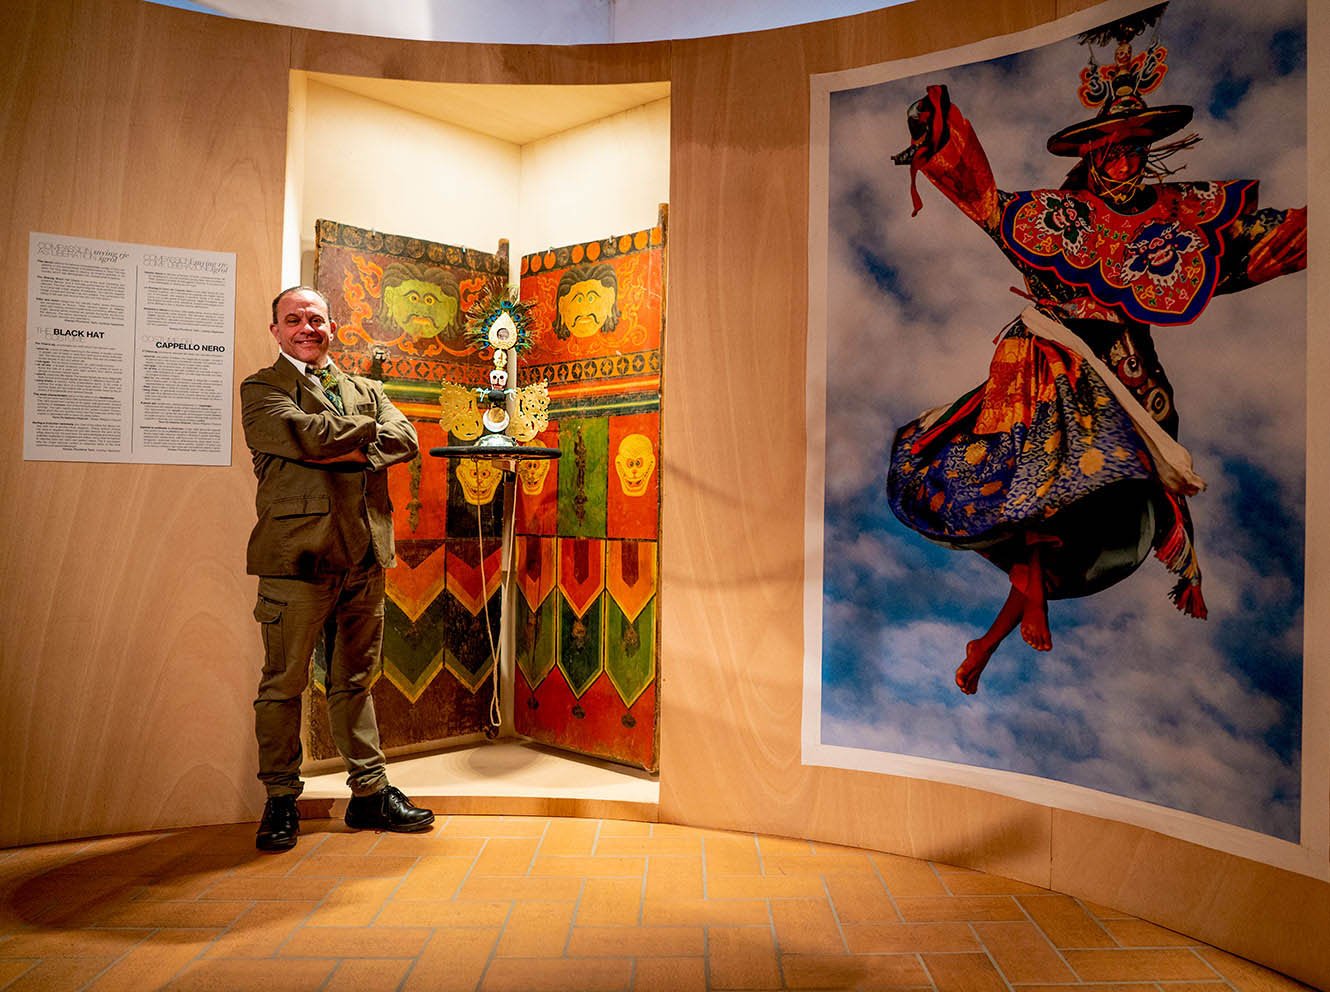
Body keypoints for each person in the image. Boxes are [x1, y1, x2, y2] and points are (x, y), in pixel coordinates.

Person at [886, 25, 1306, 695]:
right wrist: (941, 139)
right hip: (1047, 363)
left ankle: (992, 635)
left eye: (1134, 148)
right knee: (1028, 477)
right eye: (1109, 151)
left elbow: (1229, 252)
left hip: (1127, 368)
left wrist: (1274, 248)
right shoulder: (1055, 218)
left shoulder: (1177, 218)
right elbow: (988, 204)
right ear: (1089, 157)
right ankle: (1013, 603)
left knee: (1126, 486)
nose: (1122, 161)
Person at [242, 285, 435, 851]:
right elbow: (308, 435)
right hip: (296, 562)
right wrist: (361, 436)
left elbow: (408, 438)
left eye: (317, 319)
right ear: (275, 329)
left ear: (332, 327)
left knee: (355, 681)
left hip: (364, 559)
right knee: (283, 685)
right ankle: (281, 800)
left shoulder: (366, 389)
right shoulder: (262, 389)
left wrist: (345, 444)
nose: (307, 327)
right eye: (293, 318)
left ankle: (370, 794)